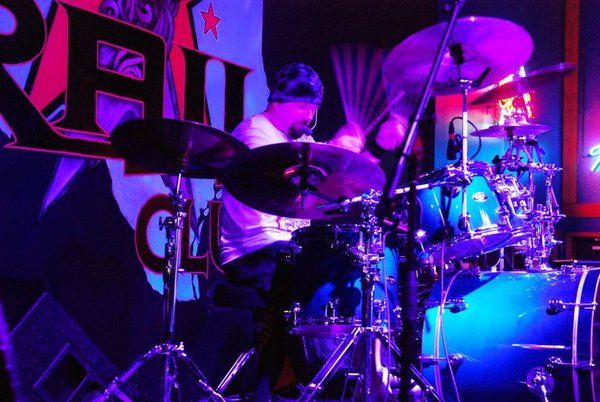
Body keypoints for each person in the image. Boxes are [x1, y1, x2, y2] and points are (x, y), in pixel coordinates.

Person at [219, 62, 368, 399]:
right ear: (294, 103)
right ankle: (299, 380)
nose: (311, 117)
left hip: (286, 248)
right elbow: (291, 174)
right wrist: (335, 151)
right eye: (309, 108)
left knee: (349, 269)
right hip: (254, 249)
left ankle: (335, 378)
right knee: (316, 275)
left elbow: (327, 177)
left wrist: (348, 154)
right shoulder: (255, 133)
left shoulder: (297, 140)